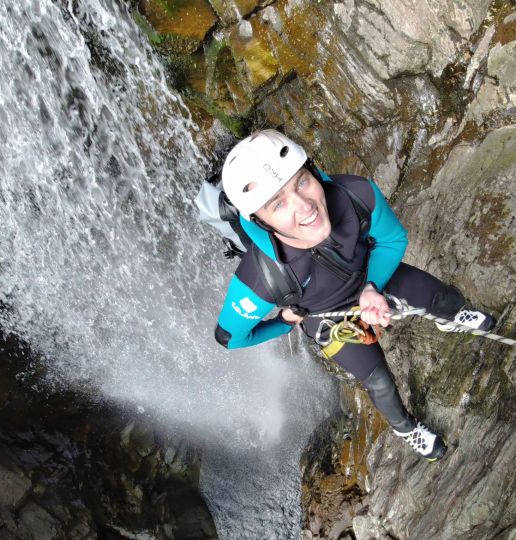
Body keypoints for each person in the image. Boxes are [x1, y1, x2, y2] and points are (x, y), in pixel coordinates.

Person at [212, 130, 495, 461]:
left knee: (441, 298)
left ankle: (452, 318)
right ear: (260, 221)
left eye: (301, 182)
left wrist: (370, 288)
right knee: (380, 383)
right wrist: (285, 322)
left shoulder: (355, 195)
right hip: (325, 319)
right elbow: (229, 337)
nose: (305, 207)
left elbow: (392, 241)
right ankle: (406, 428)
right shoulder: (260, 280)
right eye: (279, 203)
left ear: (313, 171)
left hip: (368, 278)